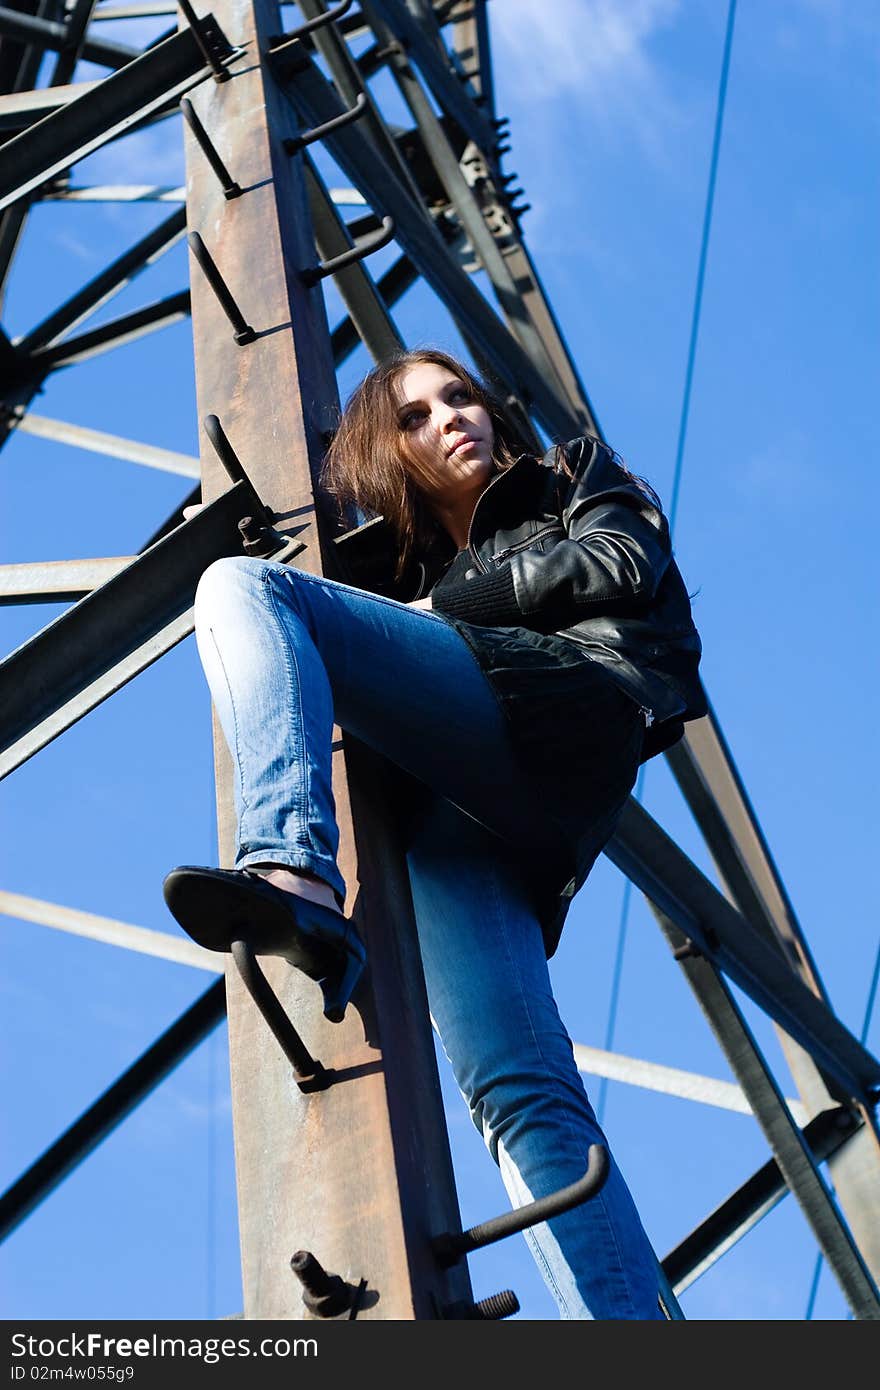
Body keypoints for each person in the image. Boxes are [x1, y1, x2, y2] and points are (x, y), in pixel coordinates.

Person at [163, 348, 706, 1320]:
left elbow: (618, 563)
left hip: (562, 705)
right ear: (384, 453)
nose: (452, 417)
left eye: (458, 395)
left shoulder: (570, 473)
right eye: (414, 415)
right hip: (476, 819)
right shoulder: (401, 566)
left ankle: (291, 864)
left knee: (245, 589)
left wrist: (430, 609)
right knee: (518, 1093)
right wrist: (403, 603)